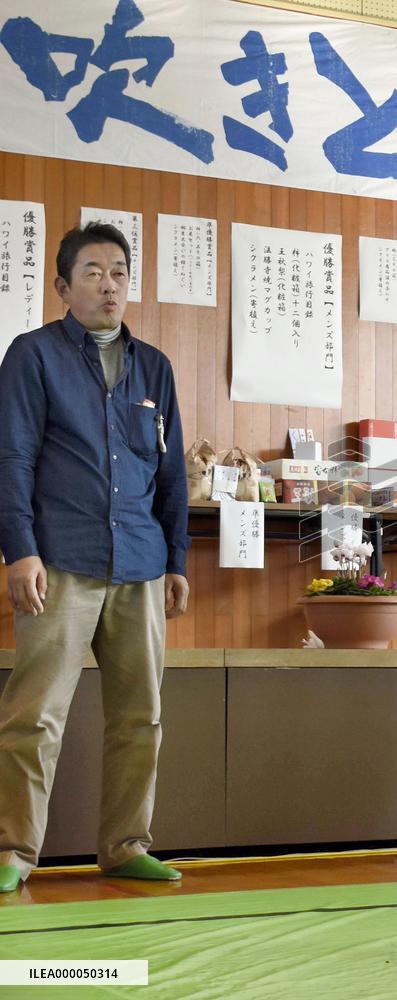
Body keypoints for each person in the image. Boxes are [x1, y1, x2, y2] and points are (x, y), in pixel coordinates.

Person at [0, 222, 190, 892]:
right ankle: (16, 849)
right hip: (59, 563)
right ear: (62, 287)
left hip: (140, 563)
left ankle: (125, 844)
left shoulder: (155, 368)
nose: (109, 284)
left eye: (119, 272)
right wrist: (18, 550)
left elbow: (171, 475)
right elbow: (12, 458)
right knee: (35, 714)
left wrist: (178, 560)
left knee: (141, 717)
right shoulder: (32, 356)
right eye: (92, 272)